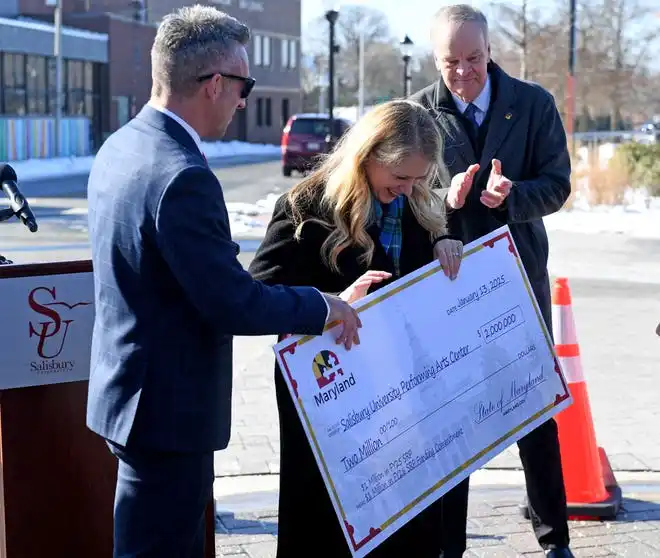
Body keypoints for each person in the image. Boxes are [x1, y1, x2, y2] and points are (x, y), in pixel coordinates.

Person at [85, 6, 362, 557]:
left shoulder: (122, 145)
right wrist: (322, 305)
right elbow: (233, 302)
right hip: (168, 414)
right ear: (214, 84)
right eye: (244, 85)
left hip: (132, 400)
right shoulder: (183, 175)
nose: (244, 101)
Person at [249, 99, 467, 557]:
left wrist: (446, 239)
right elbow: (255, 297)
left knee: (407, 527)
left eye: (418, 179)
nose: (408, 190)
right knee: (328, 527)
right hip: (331, 395)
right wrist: (326, 306)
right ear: (368, 156)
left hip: (403, 402)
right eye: (399, 178)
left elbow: (427, 273)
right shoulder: (305, 206)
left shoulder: (419, 204)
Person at [410, 4, 574, 558]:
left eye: (473, 59)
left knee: (533, 407)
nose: (462, 72)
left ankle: (555, 539)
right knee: (452, 414)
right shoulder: (416, 115)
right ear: (436, 59)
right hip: (448, 281)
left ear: (490, 50)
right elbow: (402, 193)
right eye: (450, 61)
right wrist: (442, 201)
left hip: (518, 277)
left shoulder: (533, 104)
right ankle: (446, 545)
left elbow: (558, 185)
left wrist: (515, 197)